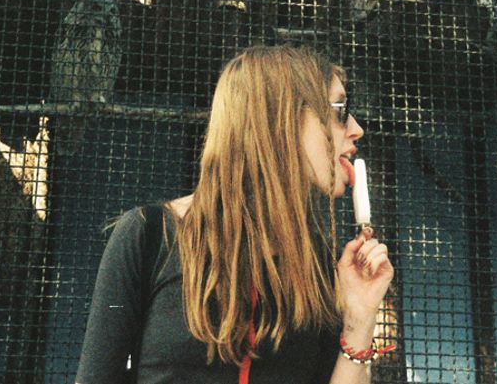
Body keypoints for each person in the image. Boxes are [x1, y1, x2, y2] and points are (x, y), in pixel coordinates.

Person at [76, 45, 394, 384]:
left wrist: (360, 318)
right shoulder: (150, 236)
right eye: (340, 110)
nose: (356, 128)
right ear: (279, 119)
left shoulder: (323, 264)